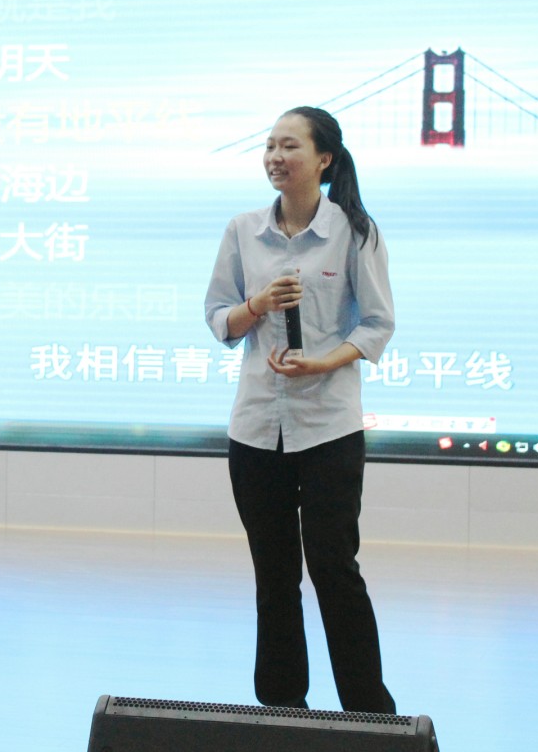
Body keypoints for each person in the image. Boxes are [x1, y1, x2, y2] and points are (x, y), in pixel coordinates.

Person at [203, 107, 396, 714]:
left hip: (328, 428)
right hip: (256, 428)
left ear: (324, 159)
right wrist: (257, 304)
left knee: (334, 569)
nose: (275, 157)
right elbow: (219, 320)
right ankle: (282, 708)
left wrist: (323, 362)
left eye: (289, 146)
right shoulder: (242, 230)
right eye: (269, 146)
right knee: (274, 575)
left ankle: (369, 714)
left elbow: (377, 324)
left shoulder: (354, 230)